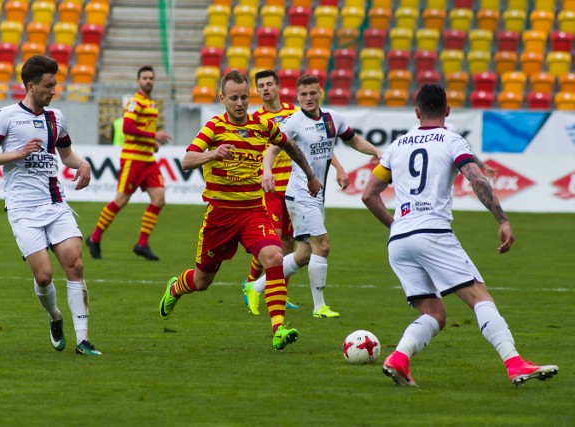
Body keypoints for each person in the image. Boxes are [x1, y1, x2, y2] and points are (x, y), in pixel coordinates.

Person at [362, 84, 558, 386]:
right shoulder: (452, 139)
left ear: (417, 112)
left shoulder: (396, 145)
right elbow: (476, 179)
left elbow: (368, 194)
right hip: (433, 234)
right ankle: (515, 363)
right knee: (480, 297)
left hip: (400, 240)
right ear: (448, 111)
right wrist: (502, 220)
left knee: (434, 313)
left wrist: (396, 225)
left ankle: (399, 358)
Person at [158, 70, 322, 350]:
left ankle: (278, 328)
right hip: (220, 215)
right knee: (202, 280)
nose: (240, 103)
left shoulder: (262, 126)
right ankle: (175, 287)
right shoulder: (213, 127)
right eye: (234, 97)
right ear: (222, 98)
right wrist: (213, 153)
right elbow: (186, 160)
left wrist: (310, 175)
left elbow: (290, 146)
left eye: (244, 97)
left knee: (274, 256)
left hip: (252, 212)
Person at [0, 55, 101, 356]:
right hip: (22, 208)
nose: (54, 90)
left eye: (55, 85)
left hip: (55, 202)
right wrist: (17, 153)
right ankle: (55, 316)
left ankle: (83, 340)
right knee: (44, 275)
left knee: (75, 263)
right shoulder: (6, 116)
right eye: (49, 85)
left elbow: (66, 155)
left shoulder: (56, 118)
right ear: (31, 86)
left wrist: (82, 164)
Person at [244, 74, 382, 319]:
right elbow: (272, 150)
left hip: (318, 195)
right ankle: (319, 307)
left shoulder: (333, 119)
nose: (308, 98)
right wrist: (267, 171)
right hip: (299, 194)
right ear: (297, 97)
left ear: (320, 93)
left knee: (304, 254)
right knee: (323, 245)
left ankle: (255, 286)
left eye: (312, 93)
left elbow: (354, 141)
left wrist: (376, 152)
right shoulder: (293, 123)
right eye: (303, 94)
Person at [86, 65, 173, 261]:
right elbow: (127, 127)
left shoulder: (151, 104)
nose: (148, 81)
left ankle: (142, 244)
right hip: (133, 159)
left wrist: (153, 143)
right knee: (120, 200)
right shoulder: (135, 102)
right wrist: (153, 135)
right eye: (144, 78)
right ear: (138, 81)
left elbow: (140, 130)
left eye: (151, 78)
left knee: (159, 199)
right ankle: (95, 237)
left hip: (148, 160)